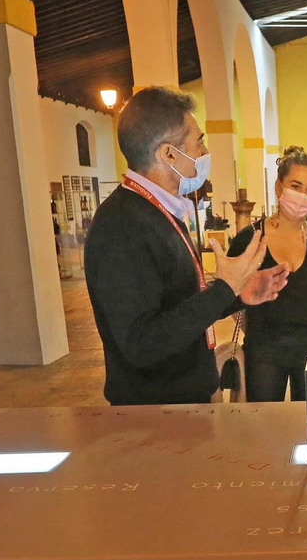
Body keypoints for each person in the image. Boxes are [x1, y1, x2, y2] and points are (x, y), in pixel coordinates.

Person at [85, 86, 287, 405]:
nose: (204, 151)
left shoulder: (160, 211)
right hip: (155, 411)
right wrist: (225, 289)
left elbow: (179, 306)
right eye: (198, 141)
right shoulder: (122, 225)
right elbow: (142, 342)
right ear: (168, 154)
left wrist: (236, 293)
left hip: (185, 400)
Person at [226, 146, 307, 402]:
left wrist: (304, 320)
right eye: (295, 186)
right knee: (264, 424)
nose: (302, 195)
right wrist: (257, 329)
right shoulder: (250, 239)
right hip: (264, 348)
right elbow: (231, 298)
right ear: (279, 187)